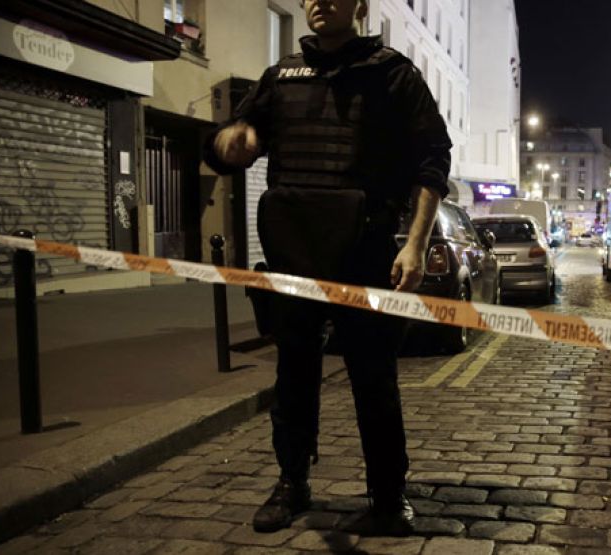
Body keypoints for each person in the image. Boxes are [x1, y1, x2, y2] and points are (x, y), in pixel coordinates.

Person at [204, 0, 451, 535]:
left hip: (364, 254)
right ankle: (292, 483)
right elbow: (232, 139)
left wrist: (414, 244)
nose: (320, 1)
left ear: (360, 5)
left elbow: (434, 158)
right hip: (294, 254)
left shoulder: (391, 73)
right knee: (293, 376)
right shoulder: (280, 77)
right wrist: (230, 143)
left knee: (373, 380)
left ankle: (389, 497)